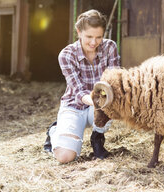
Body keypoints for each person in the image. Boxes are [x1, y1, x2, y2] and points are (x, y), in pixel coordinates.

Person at [43, 9, 120, 163]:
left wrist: (103, 104)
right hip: (75, 104)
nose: (94, 42)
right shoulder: (66, 55)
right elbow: (77, 91)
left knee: (110, 108)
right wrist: (97, 102)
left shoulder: (110, 47)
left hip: (100, 103)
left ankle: (97, 138)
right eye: (89, 37)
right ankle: (54, 131)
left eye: (99, 37)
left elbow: (114, 81)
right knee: (65, 157)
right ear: (78, 32)